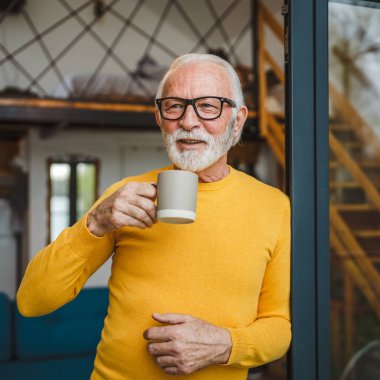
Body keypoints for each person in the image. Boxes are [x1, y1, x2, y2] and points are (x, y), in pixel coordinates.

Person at [17, 53, 291, 379]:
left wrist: (224, 344)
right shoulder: (124, 196)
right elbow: (32, 301)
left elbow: (279, 326)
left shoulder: (274, 206)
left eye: (208, 106)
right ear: (160, 119)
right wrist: (94, 224)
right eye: (174, 106)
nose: (188, 121)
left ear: (238, 119)